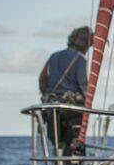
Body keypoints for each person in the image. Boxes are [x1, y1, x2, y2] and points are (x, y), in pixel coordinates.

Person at [38, 26, 91, 156]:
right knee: (74, 145)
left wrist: (46, 94)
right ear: (85, 44)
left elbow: (42, 80)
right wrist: (89, 104)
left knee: (58, 146)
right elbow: (83, 84)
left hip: (53, 108)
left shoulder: (53, 56)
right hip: (72, 110)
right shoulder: (79, 59)